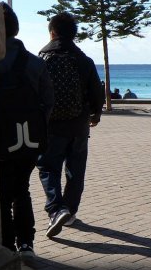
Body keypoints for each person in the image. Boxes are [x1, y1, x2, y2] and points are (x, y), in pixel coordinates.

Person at [0, 3, 53, 258]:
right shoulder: (35, 63)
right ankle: (26, 243)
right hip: (28, 141)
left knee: (2, 194)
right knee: (21, 189)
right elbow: (48, 103)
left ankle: (6, 246)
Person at [37, 12, 104, 237]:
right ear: (74, 34)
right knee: (75, 171)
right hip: (78, 125)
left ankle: (57, 209)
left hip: (51, 126)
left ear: (52, 32)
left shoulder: (42, 59)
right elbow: (96, 91)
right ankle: (70, 212)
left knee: (48, 167)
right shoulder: (83, 60)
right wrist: (95, 114)